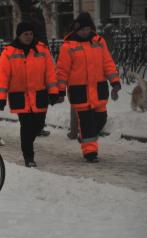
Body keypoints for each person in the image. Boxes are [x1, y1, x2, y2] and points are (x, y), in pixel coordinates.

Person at [0, 22, 64, 168]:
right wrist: (1, 98)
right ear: (19, 35)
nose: (28, 37)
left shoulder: (42, 50)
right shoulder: (8, 52)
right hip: (20, 97)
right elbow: (3, 76)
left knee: (38, 124)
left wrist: (54, 92)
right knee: (26, 127)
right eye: (25, 34)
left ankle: (27, 144)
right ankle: (29, 157)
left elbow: (50, 73)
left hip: (40, 96)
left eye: (31, 34)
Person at [56, 12, 121, 163]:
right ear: (76, 30)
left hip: (98, 90)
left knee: (101, 118)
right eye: (82, 30)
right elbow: (62, 71)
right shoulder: (68, 46)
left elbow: (108, 63)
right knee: (87, 122)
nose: (85, 32)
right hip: (80, 91)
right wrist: (60, 90)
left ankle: (84, 137)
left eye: (87, 29)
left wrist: (115, 81)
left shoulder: (99, 42)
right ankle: (90, 153)